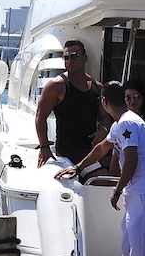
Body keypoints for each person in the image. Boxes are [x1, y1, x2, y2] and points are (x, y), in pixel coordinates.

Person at [55, 81, 145, 256]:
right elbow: (102, 148)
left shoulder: (128, 124)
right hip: (137, 194)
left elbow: (131, 161)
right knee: (129, 251)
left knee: (139, 254)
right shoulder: (121, 123)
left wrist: (116, 190)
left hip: (144, 194)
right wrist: (78, 167)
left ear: (104, 102)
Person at [35, 40, 110, 180]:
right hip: (68, 151)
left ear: (85, 58)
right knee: (104, 181)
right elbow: (41, 116)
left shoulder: (98, 87)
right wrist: (44, 147)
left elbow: (105, 117)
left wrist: (103, 130)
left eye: (74, 56)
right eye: (66, 57)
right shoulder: (56, 86)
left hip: (91, 150)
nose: (70, 61)